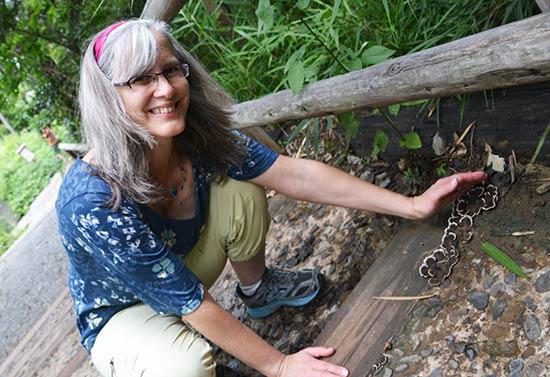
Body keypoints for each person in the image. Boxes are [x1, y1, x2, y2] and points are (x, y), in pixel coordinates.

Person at [55, 19, 486, 377]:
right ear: (109, 97)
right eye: (140, 80)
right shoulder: (91, 200)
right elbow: (190, 301)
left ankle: (257, 289)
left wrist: (412, 205)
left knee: (241, 184)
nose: (165, 89)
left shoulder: (200, 136)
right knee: (185, 365)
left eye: (170, 70)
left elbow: (291, 173)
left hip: (181, 268)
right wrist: (279, 365)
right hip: (125, 311)